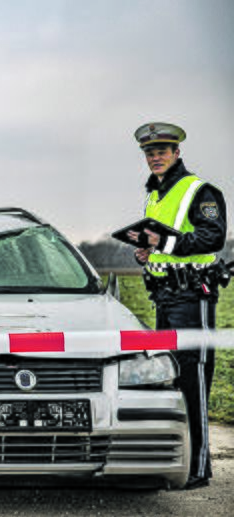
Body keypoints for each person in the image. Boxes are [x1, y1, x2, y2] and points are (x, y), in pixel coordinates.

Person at [128, 122, 227, 490]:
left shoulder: (199, 190)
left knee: (193, 380)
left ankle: (198, 469)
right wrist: (146, 251)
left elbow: (211, 236)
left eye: (162, 151)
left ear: (176, 153)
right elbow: (165, 242)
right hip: (165, 298)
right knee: (169, 381)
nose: (155, 157)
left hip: (192, 297)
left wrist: (163, 243)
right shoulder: (155, 194)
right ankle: (173, 464)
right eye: (150, 153)